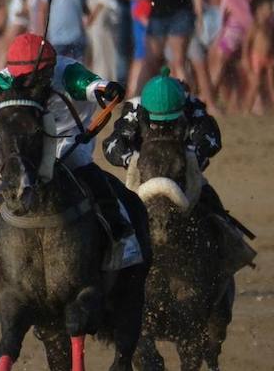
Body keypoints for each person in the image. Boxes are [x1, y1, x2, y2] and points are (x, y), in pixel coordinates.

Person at [0, 33, 136, 269]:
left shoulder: (68, 71)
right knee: (7, 177)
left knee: (86, 172)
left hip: (69, 140)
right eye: (24, 77)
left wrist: (106, 88)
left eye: (38, 77)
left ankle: (117, 225)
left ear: (50, 68)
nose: (32, 82)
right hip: (32, 143)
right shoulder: (6, 79)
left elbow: (90, 84)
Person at [104, 68, 255, 271]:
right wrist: (134, 160)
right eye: (158, 120)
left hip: (185, 177)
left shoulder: (192, 105)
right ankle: (118, 258)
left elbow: (211, 139)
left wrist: (191, 156)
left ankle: (229, 255)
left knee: (212, 204)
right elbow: (112, 144)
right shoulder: (134, 108)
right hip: (142, 178)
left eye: (169, 119)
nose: (164, 124)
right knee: (117, 214)